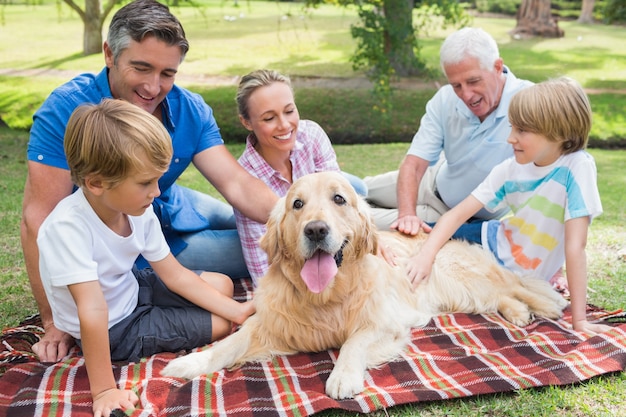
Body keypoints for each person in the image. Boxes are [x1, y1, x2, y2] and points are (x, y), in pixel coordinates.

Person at [21, 0, 276, 362]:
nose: (153, 87)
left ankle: (358, 210)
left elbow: (238, 185)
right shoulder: (67, 109)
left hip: (162, 209)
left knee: (273, 228)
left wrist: (305, 219)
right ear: (109, 54)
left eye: (168, 73)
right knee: (258, 246)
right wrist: (54, 321)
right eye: (141, 68)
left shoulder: (190, 109)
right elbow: (38, 219)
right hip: (124, 246)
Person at [37, 99, 256, 416]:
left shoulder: (136, 209)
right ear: (96, 183)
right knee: (219, 325)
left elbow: (174, 274)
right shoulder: (67, 229)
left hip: (131, 287)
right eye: (145, 182)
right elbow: (93, 308)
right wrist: (104, 391)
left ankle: (223, 311)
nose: (156, 191)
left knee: (222, 286)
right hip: (114, 327)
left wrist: (239, 311)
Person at [404, 77, 611, 336]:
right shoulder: (510, 170)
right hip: (486, 240)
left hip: (509, 274)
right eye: (512, 128)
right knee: (411, 239)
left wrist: (579, 321)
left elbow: (575, 246)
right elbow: (457, 215)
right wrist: (425, 256)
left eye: (522, 131)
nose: (510, 139)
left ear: (558, 133)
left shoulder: (577, 168)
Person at [364, 27, 533, 239]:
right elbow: (414, 166)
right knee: (353, 189)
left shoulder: (531, 103)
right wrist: (407, 214)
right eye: (457, 86)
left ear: (497, 67)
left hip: (449, 216)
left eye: (473, 81)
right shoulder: (444, 99)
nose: (466, 95)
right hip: (430, 180)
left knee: (352, 217)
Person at [234, 69, 367, 285]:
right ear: (247, 122)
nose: (285, 125)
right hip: (286, 231)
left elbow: (338, 195)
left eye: (289, 111)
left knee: (359, 189)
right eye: (269, 118)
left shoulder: (312, 134)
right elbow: (263, 272)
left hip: (337, 203)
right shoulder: (244, 180)